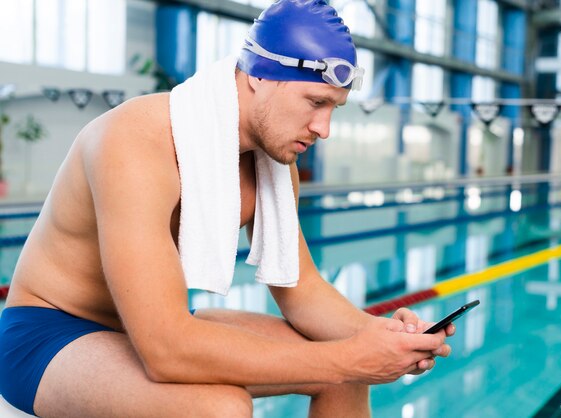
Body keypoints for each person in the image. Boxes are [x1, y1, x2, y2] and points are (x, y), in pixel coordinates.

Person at [0, 1, 454, 417]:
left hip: (156, 327)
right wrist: (344, 358)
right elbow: (166, 350)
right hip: (50, 333)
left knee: (347, 363)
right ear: (259, 75)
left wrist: (383, 340)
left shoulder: (274, 165)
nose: (324, 128)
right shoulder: (134, 143)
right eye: (315, 103)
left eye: (333, 108)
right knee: (220, 408)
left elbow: (304, 290)